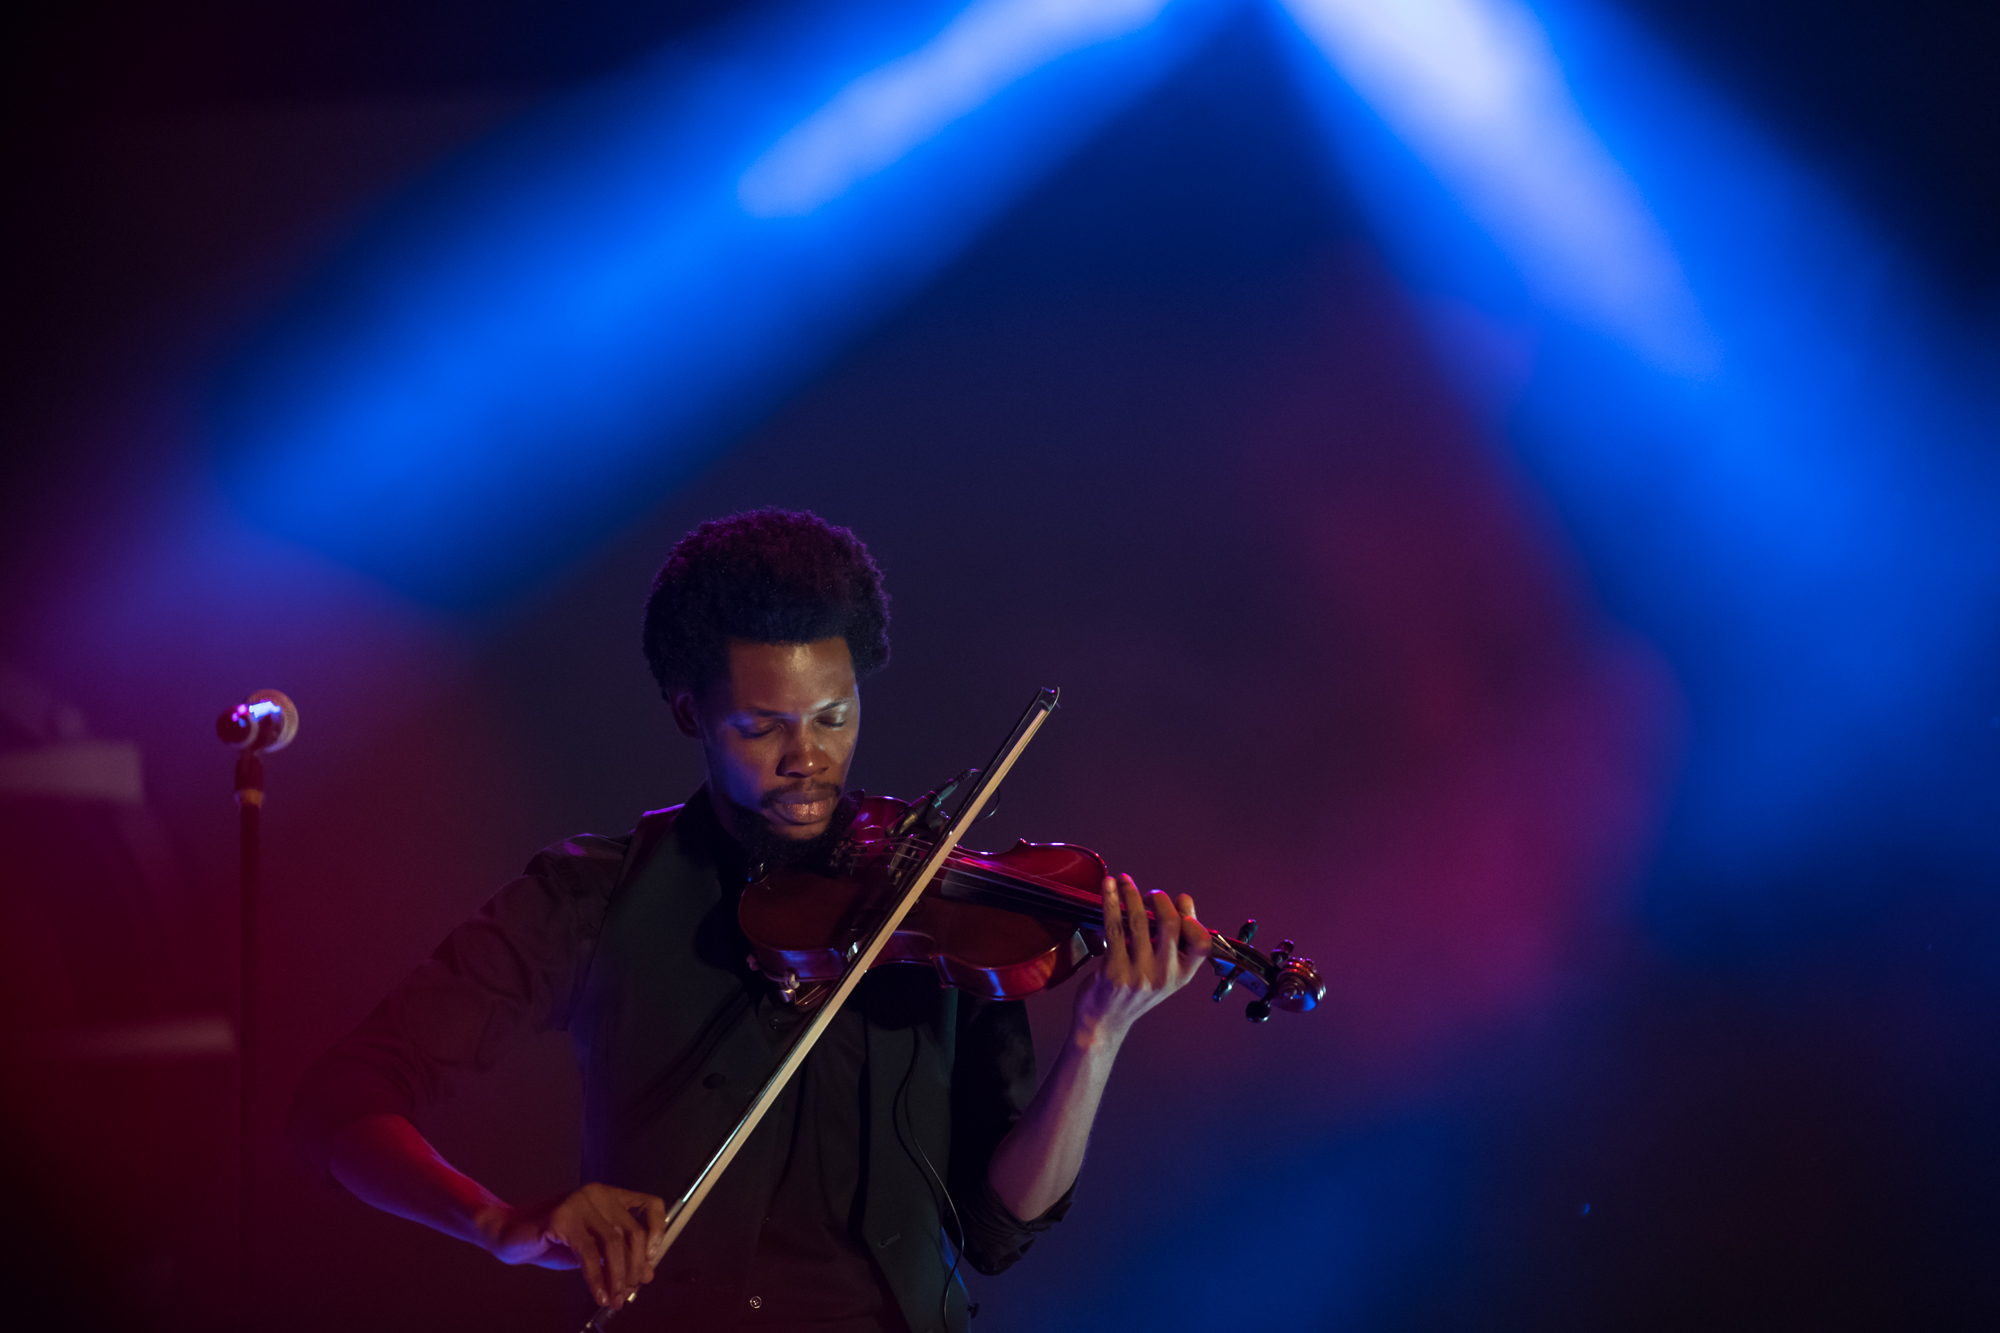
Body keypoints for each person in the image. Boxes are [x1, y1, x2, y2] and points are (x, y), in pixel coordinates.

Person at [287, 508, 1213, 1333]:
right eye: (762, 727)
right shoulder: (593, 895)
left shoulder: (941, 902)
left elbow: (999, 1228)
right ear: (691, 711)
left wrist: (1098, 1037)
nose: (808, 758)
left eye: (834, 716)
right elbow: (342, 1101)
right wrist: (498, 1222)